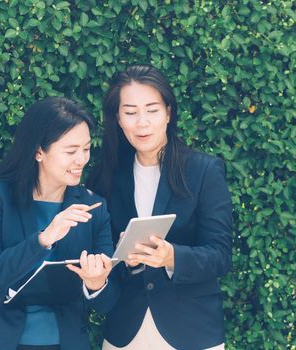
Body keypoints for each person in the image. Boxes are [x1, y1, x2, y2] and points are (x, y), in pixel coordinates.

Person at [0, 97, 118, 350]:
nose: (82, 160)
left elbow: (108, 301)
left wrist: (97, 284)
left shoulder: (94, 206)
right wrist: (43, 239)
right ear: (39, 151)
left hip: (66, 342)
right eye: (71, 151)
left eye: (86, 149)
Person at [88, 65, 233, 350]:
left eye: (152, 110)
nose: (142, 123)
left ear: (168, 112)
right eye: (130, 112)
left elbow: (220, 256)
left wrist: (171, 257)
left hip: (191, 331)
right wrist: (118, 260)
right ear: (118, 118)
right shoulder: (106, 176)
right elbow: (100, 253)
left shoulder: (204, 171)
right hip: (125, 330)